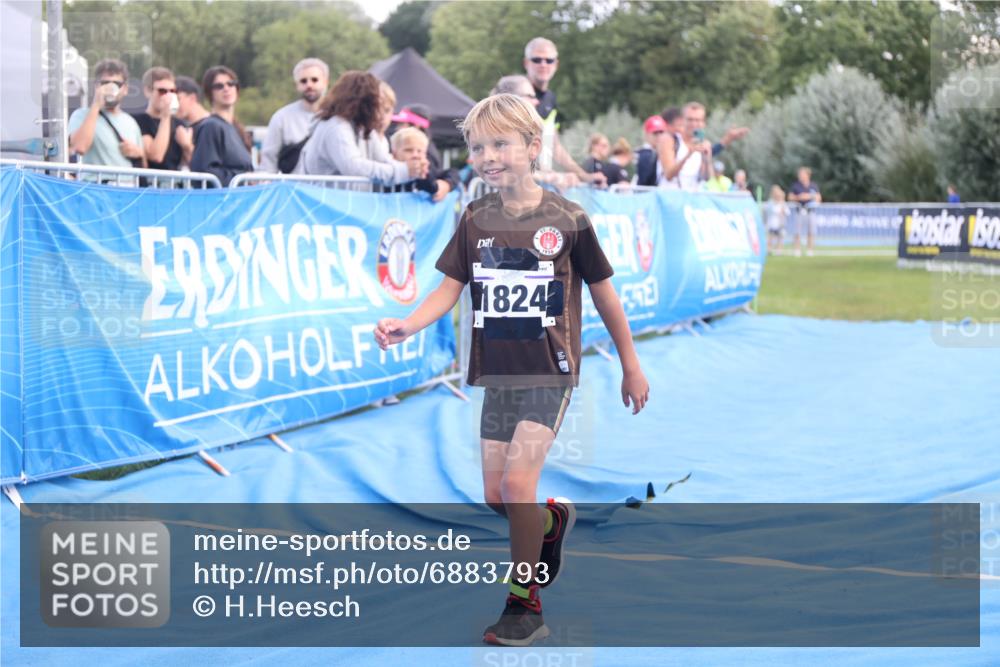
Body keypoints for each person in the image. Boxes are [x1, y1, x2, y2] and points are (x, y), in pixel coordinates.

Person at [373, 93, 649, 647]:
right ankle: (550, 524)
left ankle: (525, 607)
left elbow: (607, 298)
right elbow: (447, 290)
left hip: (551, 373)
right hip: (497, 377)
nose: (487, 154)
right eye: (478, 146)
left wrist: (631, 366)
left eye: (500, 143)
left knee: (518, 485)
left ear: (532, 146)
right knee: (497, 497)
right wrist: (408, 323)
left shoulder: (568, 219)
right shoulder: (474, 217)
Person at [297, 71, 426, 186]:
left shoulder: (362, 128)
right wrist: (404, 171)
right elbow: (353, 167)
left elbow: (383, 159)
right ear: (363, 102)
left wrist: (413, 170)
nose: (378, 111)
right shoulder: (336, 127)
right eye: (375, 103)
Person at [522, 38, 605, 187]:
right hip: (512, 187)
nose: (543, 64)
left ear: (556, 64)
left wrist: (584, 176)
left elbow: (554, 146)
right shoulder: (514, 93)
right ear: (526, 63)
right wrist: (549, 177)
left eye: (549, 60)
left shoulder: (550, 98)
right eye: (536, 59)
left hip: (536, 185)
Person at [68, 58, 145, 179]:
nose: (110, 88)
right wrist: (96, 104)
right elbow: (79, 147)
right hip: (95, 189)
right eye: (105, 83)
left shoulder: (131, 122)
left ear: (125, 89)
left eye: (116, 84)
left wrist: (139, 153)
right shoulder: (81, 115)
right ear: (96, 86)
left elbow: (144, 166)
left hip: (127, 191)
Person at [258, 57, 328, 173]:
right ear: (297, 85)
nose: (309, 85)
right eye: (303, 81)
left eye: (314, 80)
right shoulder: (281, 117)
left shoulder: (337, 117)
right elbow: (269, 159)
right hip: (292, 188)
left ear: (325, 81)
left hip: (327, 189)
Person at [190, 66, 254, 187]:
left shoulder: (236, 128)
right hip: (222, 201)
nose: (226, 88)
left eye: (231, 84)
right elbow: (205, 174)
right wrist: (243, 180)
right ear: (210, 93)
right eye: (219, 86)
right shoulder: (210, 127)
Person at [131, 67, 187, 185]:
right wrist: (166, 116)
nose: (168, 95)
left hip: (175, 188)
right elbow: (156, 156)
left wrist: (188, 146)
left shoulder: (180, 124)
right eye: (162, 91)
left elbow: (192, 162)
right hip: (150, 188)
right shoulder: (138, 121)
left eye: (172, 91)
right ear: (148, 91)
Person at [789, 166, 822, 256]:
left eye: (802, 174)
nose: (800, 176)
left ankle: (810, 250)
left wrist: (808, 196)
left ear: (807, 175)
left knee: (811, 231)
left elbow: (819, 198)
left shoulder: (813, 185)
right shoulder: (796, 185)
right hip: (800, 211)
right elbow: (790, 197)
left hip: (811, 211)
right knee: (797, 231)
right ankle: (797, 250)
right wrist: (799, 197)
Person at [173, 76, 205, 166]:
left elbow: (206, 164)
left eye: (178, 99)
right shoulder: (182, 127)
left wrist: (187, 146)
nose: (174, 104)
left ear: (192, 98)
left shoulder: (211, 126)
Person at [634, 114, 669, 186]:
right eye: (655, 133)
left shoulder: (666, 153)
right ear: (647, 135)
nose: (659, 136)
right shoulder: (645, 155)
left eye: (661, 132)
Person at [765, 185, 790, 255]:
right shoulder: (770, 202)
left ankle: (779, 250)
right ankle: (769, 249)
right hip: (772, 223)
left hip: (780, 223)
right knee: (770, 237)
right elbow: (773, 211)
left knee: (780, 237)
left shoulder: (783, 203)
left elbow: (787, 212)